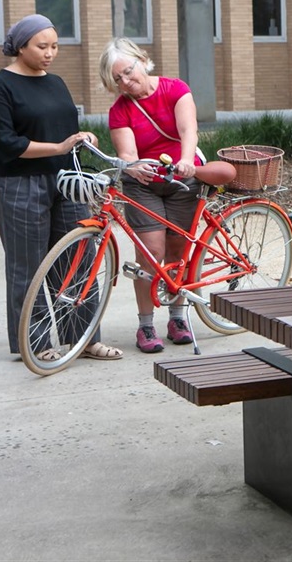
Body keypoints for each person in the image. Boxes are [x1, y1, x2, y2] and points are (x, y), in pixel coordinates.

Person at [0, 14, 122, 362]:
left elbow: (66, 131)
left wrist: (82, 139)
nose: (50, 53)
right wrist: (57, 147)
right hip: (17, 183)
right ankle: (37, 344)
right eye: (42, 46)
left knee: (78, 259)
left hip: (66, 181)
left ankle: (85, 339)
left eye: (55, 46)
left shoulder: (57, 82)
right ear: (21, 46)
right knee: (27, 266)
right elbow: (7, 142)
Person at [99, 38, 202, 353]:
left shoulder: (175, 89)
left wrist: (186, 161)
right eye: (118, 79)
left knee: (178, 250)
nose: (126, 82)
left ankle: (177, 317)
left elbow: (188, 131)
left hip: (182, 178)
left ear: (142, 60)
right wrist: (132, 167)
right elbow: (127, 152)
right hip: (144, 183)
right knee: (150, 252)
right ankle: (145, 324)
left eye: (128, 72)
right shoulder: (120, 110)